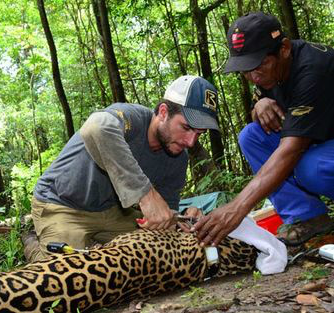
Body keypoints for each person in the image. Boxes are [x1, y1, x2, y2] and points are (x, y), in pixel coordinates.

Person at [24, 75, 220, 262]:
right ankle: (33, 242)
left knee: (162, 253)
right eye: (186, 128)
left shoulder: (178, 158)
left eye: (199, 134)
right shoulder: (130, 118)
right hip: (62, 203)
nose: (191, 141)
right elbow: (96, 127)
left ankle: (93, 245)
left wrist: (181, 218)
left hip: (115, 213)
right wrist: (146, 194)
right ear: (163, 112)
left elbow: (165, 212)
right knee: (65, 279)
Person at [194, 11, 334, 247]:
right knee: (251, 136)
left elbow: (291, 151)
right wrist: (258, 104)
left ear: (285, 49)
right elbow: (258, 112)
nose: (253, 76)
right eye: (245, 69)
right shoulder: (268, 73)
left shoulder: (313, 69)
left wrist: (237, 208)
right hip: (322, 140)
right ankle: (308, 217)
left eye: (259, 65)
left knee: (308, 167)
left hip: (319, 147)